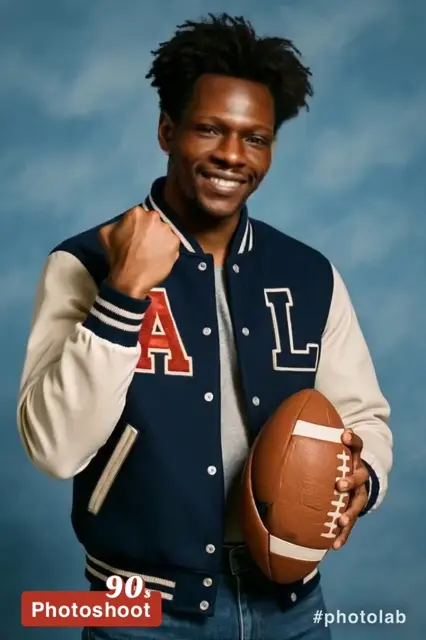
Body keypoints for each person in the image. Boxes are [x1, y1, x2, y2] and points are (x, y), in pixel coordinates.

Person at [17, 13, 393, 640]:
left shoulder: (309, 274)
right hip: (134, 606)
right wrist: (123, 294)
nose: (232, 155)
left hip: (292, 605)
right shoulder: (84, 263)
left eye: (255, 138)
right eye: (210, 129)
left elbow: (363, 417)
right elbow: (55, 450)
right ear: (167, 130)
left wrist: (366, 473)